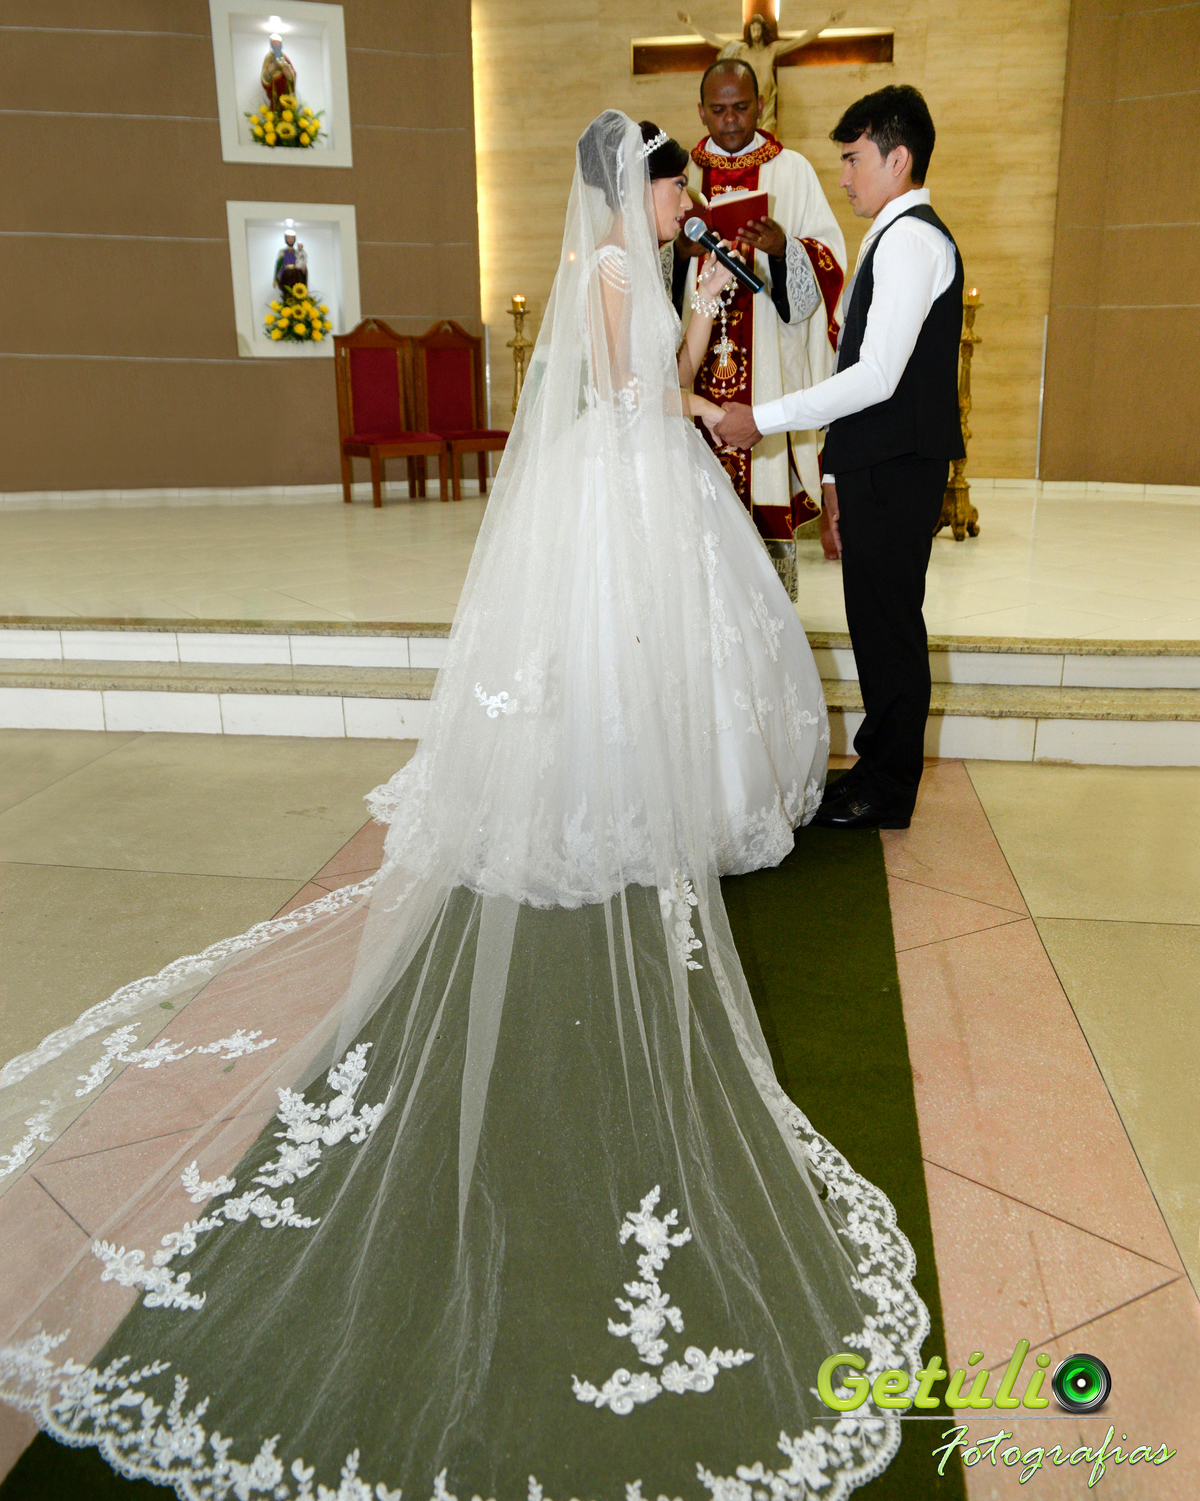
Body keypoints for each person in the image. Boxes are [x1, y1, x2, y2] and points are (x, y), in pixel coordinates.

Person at [0, 113, 926, 1497]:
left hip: (654, 481)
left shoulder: (641, 265)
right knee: (623, 662)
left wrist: (706, 311)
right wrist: (696, 350)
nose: (688, 196)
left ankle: (670, 794)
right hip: (631, 488)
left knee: (674, 663)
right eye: (676, 183)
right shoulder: (610, 273)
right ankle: (618, 799)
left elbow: (665, 388)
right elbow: (645, 401)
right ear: (639, 188)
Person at [715, 86, 964, 831]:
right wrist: (831, 475)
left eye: (855, 159)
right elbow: (849, 357)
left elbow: (877, 376)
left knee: (890, 627)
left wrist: (763, 418)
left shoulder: (913, 241)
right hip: (873, 463)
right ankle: (875, 769)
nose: (845, 176)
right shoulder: (887, 238)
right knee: (875, 626)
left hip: (898, 464)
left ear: (898, 158)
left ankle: (888, 790)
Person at [678, 59, 846, 586]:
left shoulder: (792, 171)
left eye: (741, 107)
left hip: (769, 365)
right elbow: (646, 263)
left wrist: (783, 249)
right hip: (692, 361)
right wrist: (679, 254)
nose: (730, 120)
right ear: (701, 110)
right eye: (718, 109)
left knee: (763, 491)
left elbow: (829, 261)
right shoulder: (682, 177)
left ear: (760, 105)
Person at [675, 8, 843, 135]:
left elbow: (800, 41)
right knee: (748, 149)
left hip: (767, 106)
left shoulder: (771, 50)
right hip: (748, 108)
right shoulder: (743, 51)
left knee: (765, 148)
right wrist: (691, 23)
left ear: (763, 30)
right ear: (749, 31)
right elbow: (715, 40)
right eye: (753, 29)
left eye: (758, 29)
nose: (755, 33)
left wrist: (828, 22)